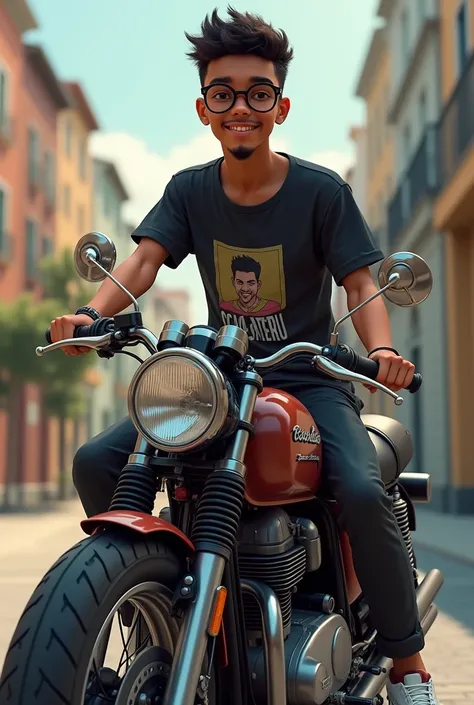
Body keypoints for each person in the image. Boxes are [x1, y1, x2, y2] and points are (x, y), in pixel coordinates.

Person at [50, 8, 439, 704]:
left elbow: (358, 280)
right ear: (205, 107)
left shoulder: (321, 191)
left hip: (309, 375)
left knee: (357, 485)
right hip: (220, 381)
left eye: (258, 92)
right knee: (96, 460)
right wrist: (91, 314)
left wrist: (378, 347)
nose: (241, 107)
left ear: (280, 105)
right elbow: (142, 261)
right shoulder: (191, 190)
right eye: (224, 92)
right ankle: (151, 594)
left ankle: (408, 663)